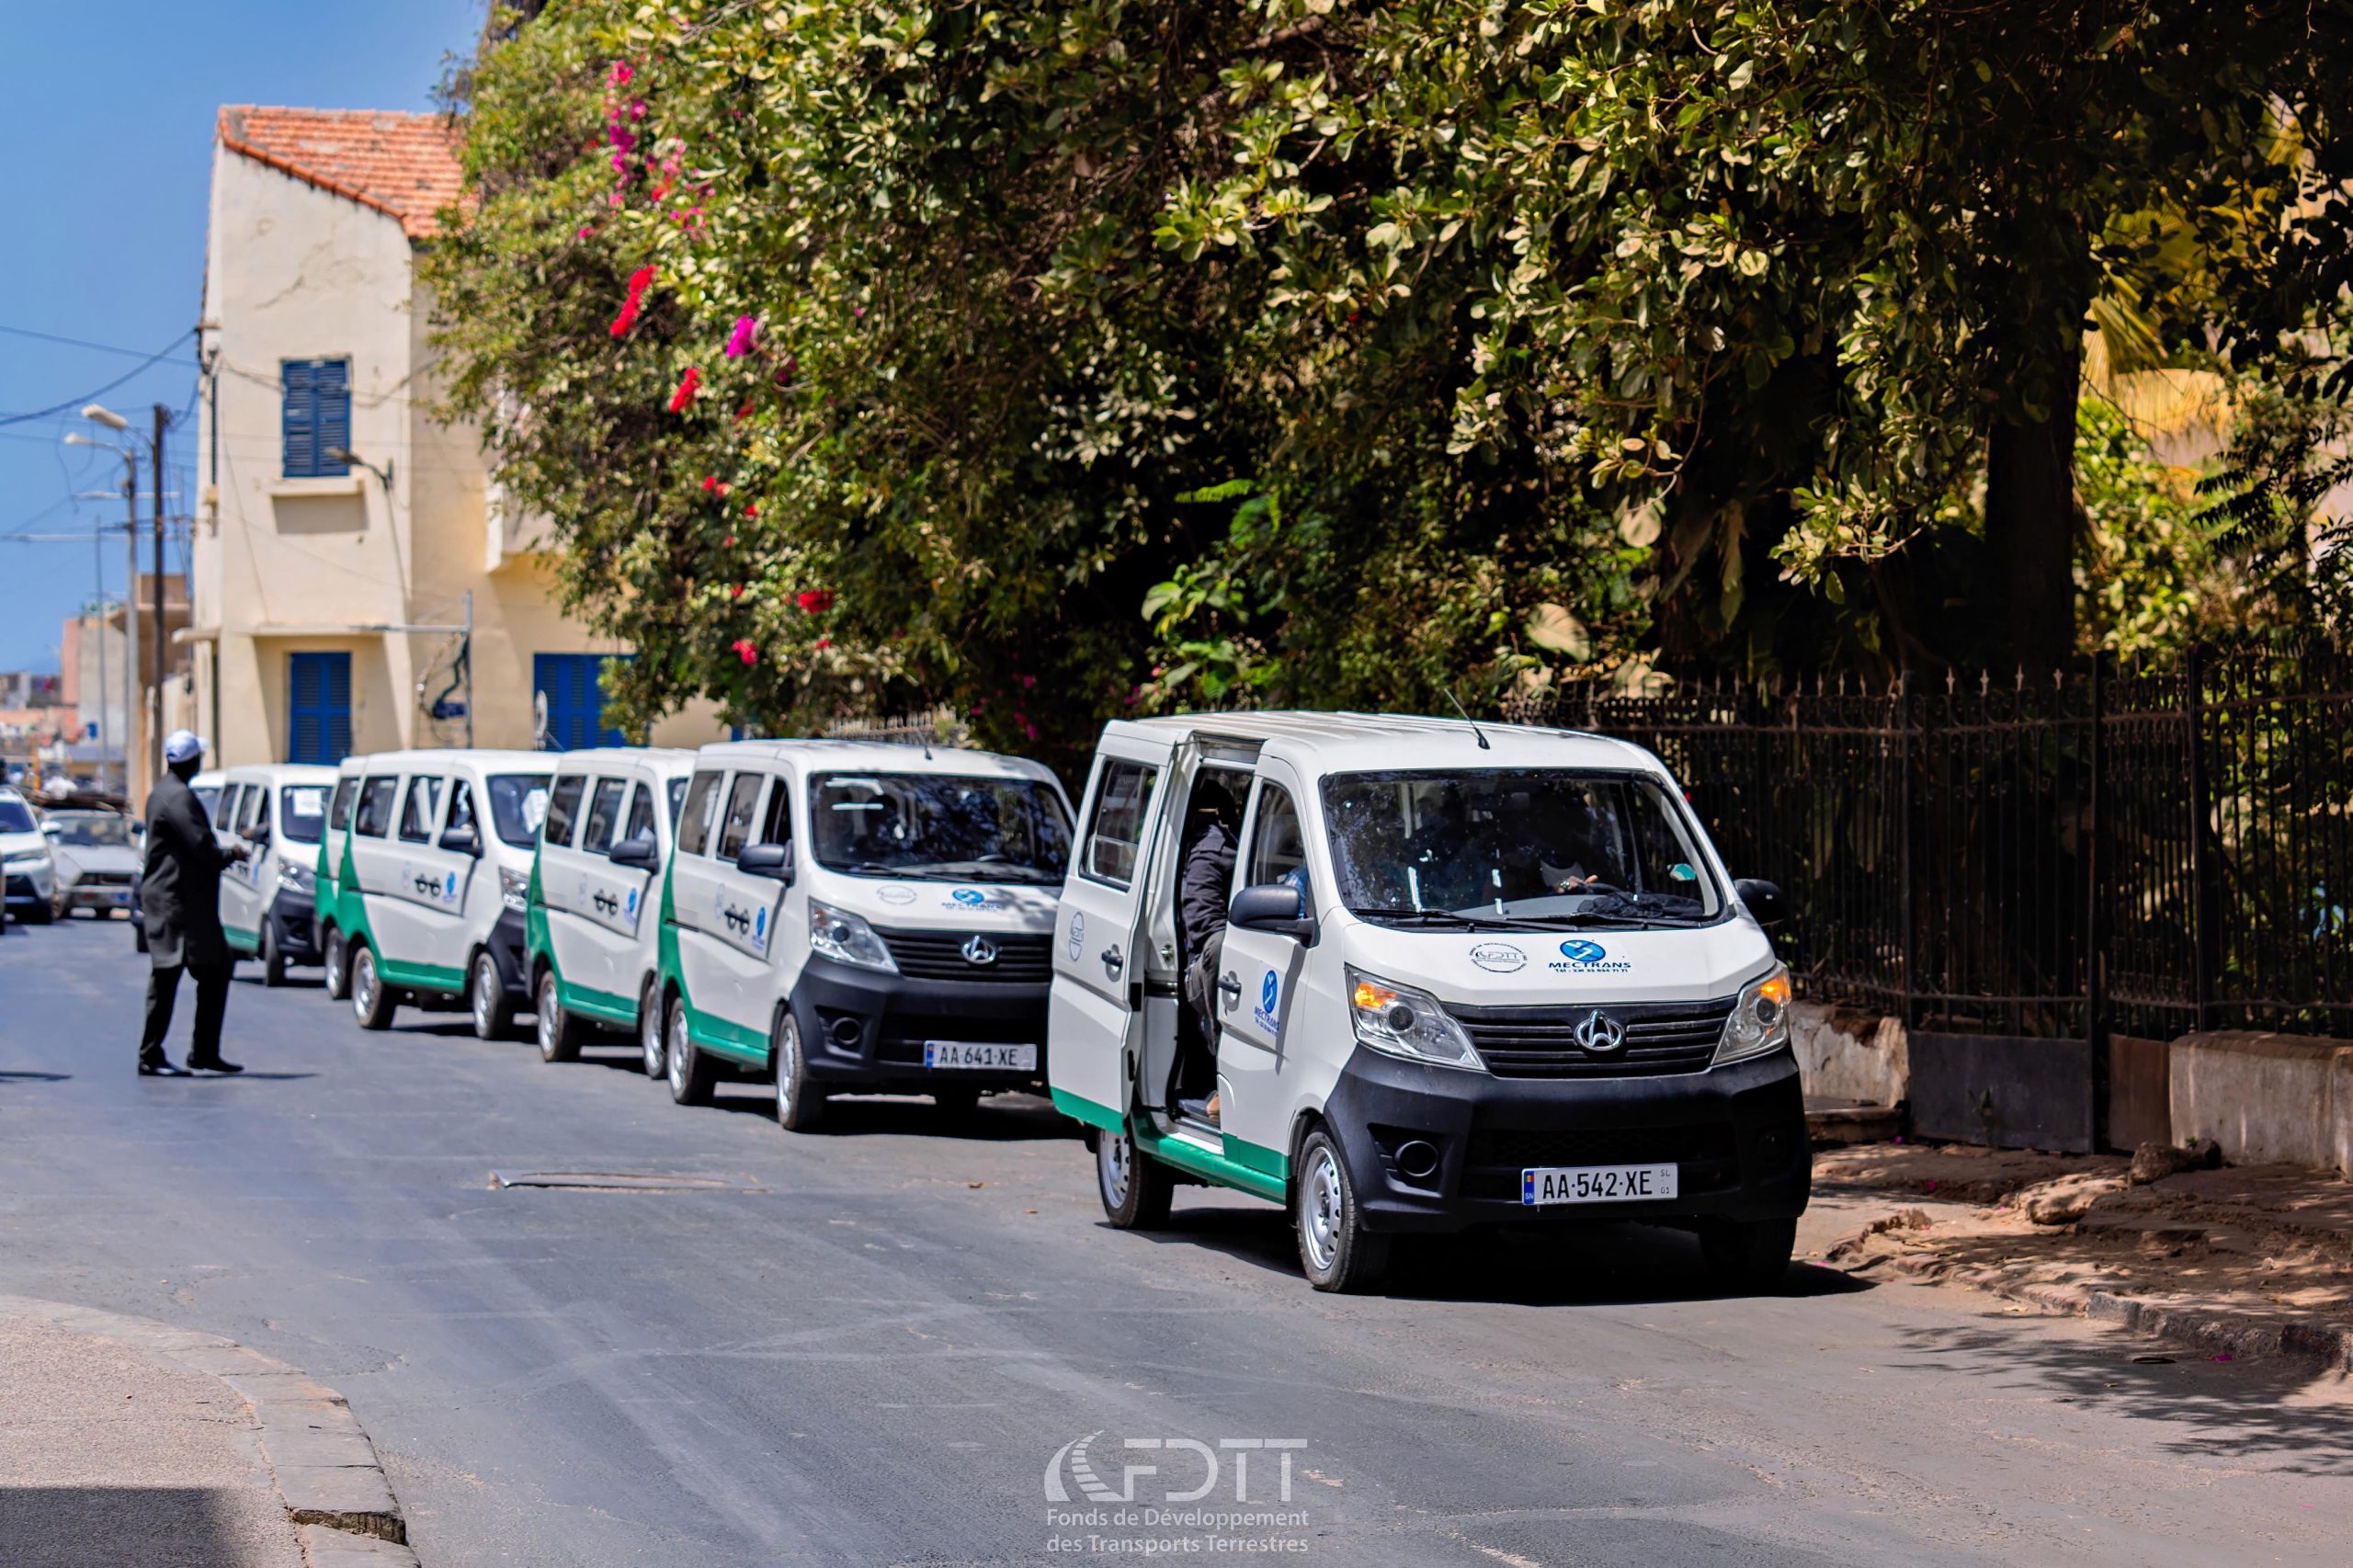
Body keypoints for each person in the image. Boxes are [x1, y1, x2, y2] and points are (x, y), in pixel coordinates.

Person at [137, 732, 249, 1077]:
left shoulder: (164, 792)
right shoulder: (179, 798)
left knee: (214, 969)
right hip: (178, 906)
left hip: (183, 903)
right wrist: (235, 851)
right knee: (168, 975)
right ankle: (152, 1055)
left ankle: (203, 1052)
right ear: (191, 762)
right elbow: (203, 849)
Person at [1176, 778, 1239, 1123]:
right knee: (1222, 947)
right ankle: (1225, 1081)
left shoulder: (1224, 844)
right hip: (1202, 969)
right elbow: (1206, 930)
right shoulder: (1212, 849)